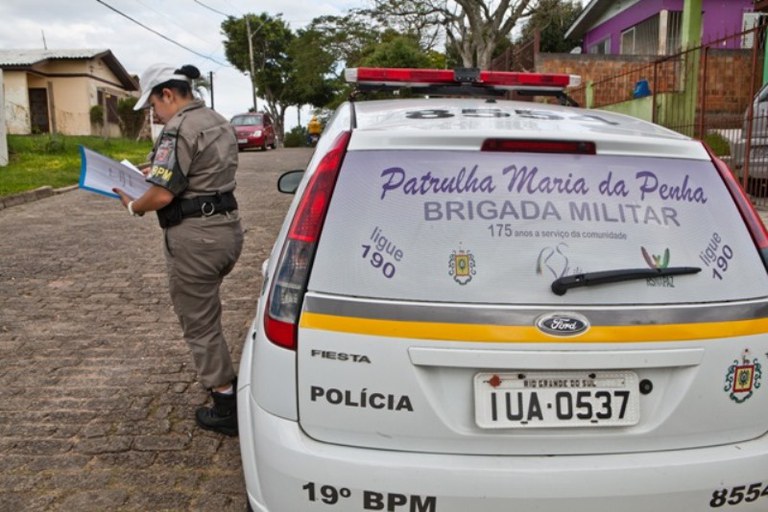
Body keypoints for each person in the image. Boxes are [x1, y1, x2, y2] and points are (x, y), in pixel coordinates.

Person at [113, 63, 243, 437]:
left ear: (167, 94)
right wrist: (155, 173)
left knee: (199, 322)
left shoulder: (178, 128)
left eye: (154, 105)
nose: (154, 114)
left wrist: (133, 205)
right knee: (207, 312)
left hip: (195, 239)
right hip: (227, 231)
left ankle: (226, 404)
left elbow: (162, 195)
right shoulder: (217, 120)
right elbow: (198, 171)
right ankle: (229, 384)